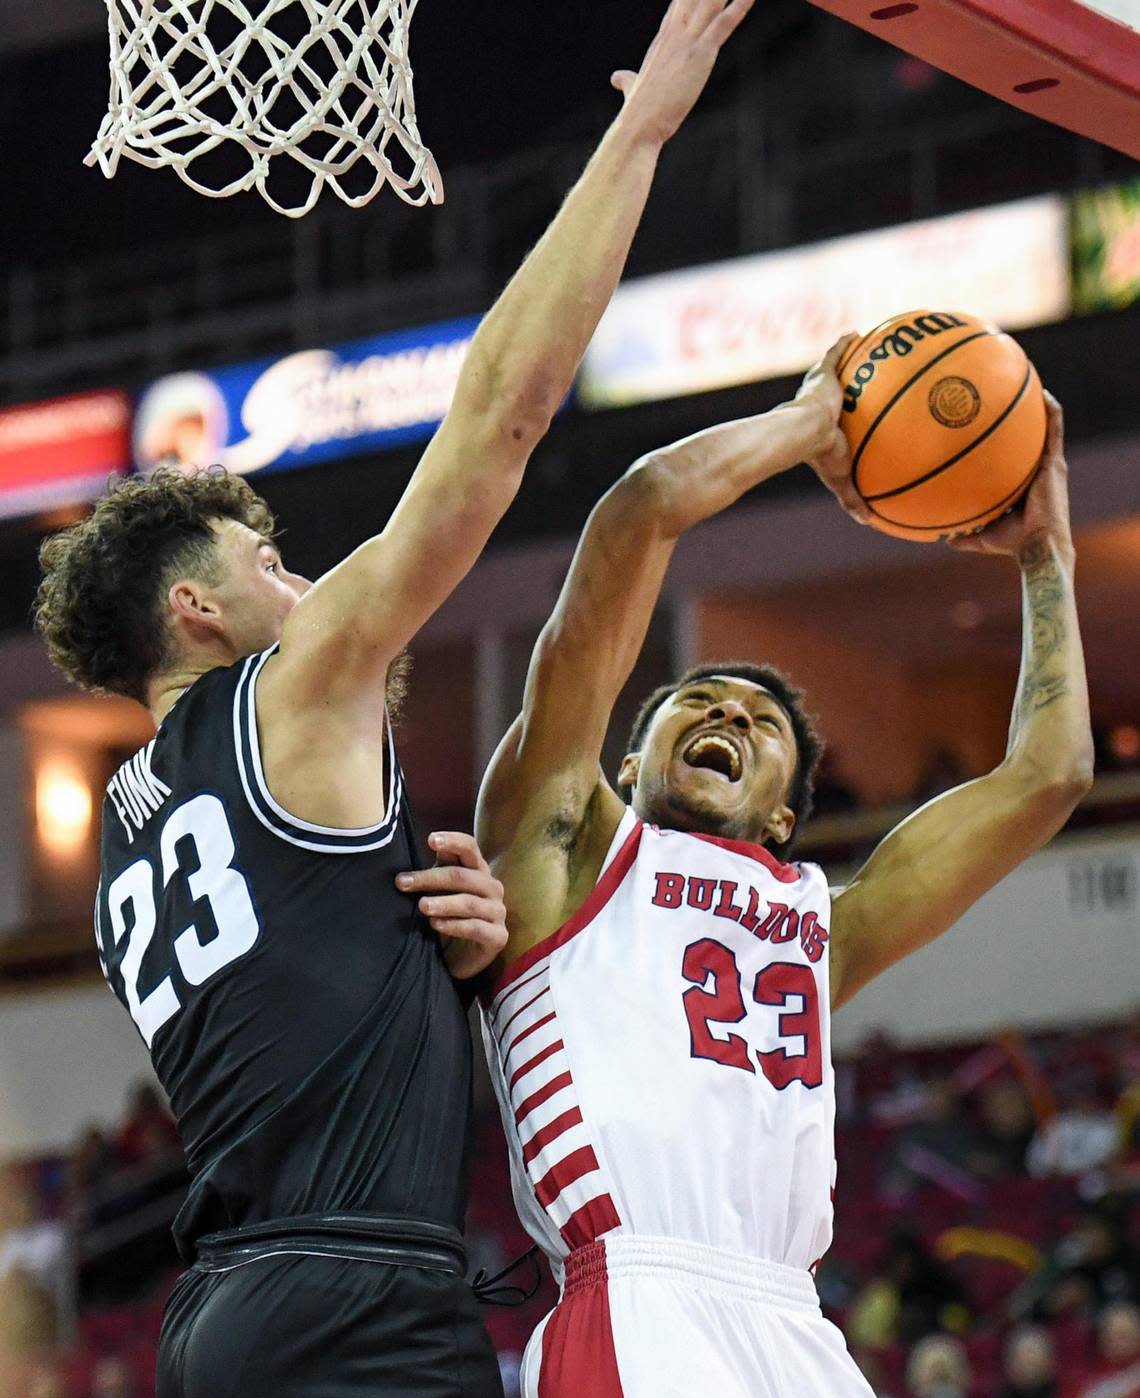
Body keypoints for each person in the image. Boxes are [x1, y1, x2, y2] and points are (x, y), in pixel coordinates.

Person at [32, 5, 754, 1393]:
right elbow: (501, 413)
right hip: (352, 1290)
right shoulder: (287, 694)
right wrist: (642, 130)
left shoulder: (134, 820)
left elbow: (303, 996)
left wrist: (451, 955)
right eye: (272, 562)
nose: (306, 586)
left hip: (231, 1311)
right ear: (198, 611)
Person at [474, 340, 1092, 1394]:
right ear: (626, 762)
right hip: (639, 1302)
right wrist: (812, 425)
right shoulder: (569, 838)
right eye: (700, 702)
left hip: (796, 1328)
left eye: (762, 724)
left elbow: (1053, 772)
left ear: (785, 816)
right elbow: (640, 508)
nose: (728, 715)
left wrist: (1046, 557)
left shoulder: (822, 925)